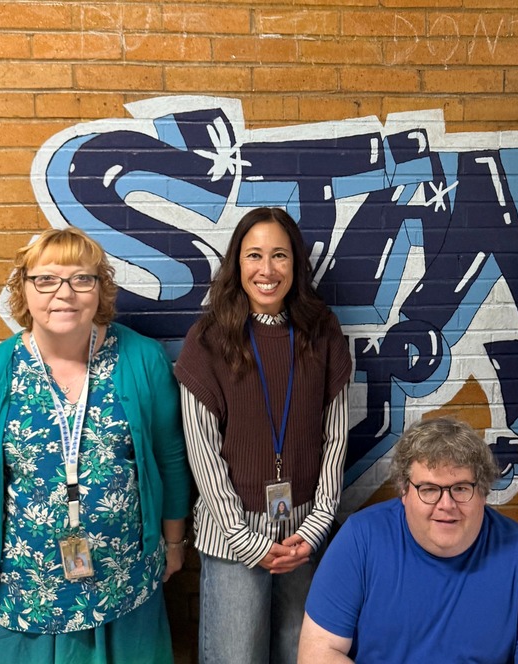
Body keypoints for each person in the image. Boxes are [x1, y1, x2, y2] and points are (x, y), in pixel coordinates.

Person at [0, 227, 193, 664]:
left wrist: (174, 543)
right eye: (46, 279)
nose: (65, 293)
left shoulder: (140, 359)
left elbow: (170, 459)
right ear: (23, 289)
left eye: (82, 278)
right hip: (24, 593)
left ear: (101, 289)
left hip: (124, 583)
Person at [174, 207, 352, 664]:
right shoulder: (208, 339)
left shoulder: (322, 332)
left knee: (304, 655)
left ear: (296, 264)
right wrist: (244, 538)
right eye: (254, 256)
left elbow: (335, 440)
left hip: (304, 537)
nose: (267, 270)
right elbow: (203, 453)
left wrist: (315, 527)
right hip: (233, 540)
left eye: (279, 256)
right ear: (237, 263)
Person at [300, 417, 518, 664]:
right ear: (404, 492)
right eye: (429, 489)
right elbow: (317, 653)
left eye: (461, 488)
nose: (446, 505)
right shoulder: (360, 539)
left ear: (483, 492)